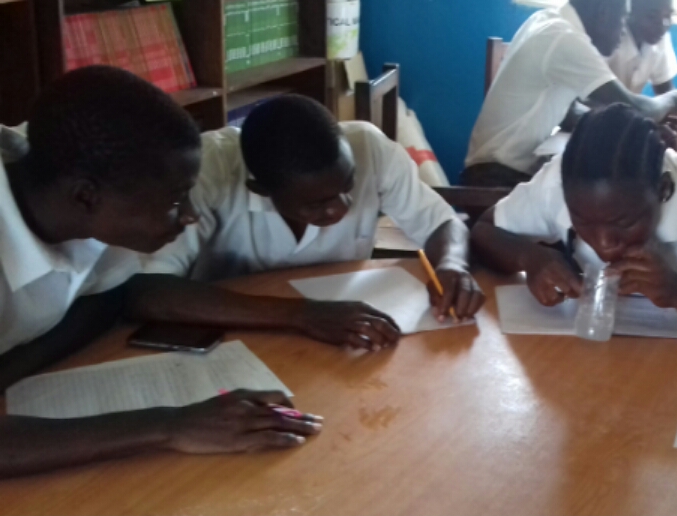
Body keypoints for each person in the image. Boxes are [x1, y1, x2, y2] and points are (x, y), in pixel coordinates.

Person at [0, 66, 320, 479]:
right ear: (85, 197)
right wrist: (172, 425)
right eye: (174, 201)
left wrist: (299, 314)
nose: (190, 216)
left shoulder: (73, 176)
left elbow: (121, 294)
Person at [140, 96, 485, 348]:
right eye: (316, 204)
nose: (340, 209)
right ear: (261, 189)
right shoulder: (207, 171)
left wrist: (452, 264)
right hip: (235, 335)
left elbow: (443, 222)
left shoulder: (370, 147)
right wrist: (304, 315)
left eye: (347, 185)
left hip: (343, 336)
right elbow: (150, 290)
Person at [471, 104, 677, 338]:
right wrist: (530, 257)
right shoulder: (560, 182)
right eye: (582, 222)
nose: (603, 246)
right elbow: (483, 231)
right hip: (588, 355)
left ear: (662, 190)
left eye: (624, 224)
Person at [462, 0, 677, 187]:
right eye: (622, 19)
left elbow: (570, 112)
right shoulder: (566, 39)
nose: (623, 31)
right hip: (494, 179)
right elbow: (633, 106)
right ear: (602, 13)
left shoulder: (547, 21)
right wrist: (673, 100)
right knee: (616, 195)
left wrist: (639, 125)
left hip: (502, 170)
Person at [608, 0, 677, 97]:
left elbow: (665, 90)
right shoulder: (609, 36)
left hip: (629, 108)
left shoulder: (659, 38)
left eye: (667, 16)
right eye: (652, 16)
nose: (662, 26)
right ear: (632, 8)